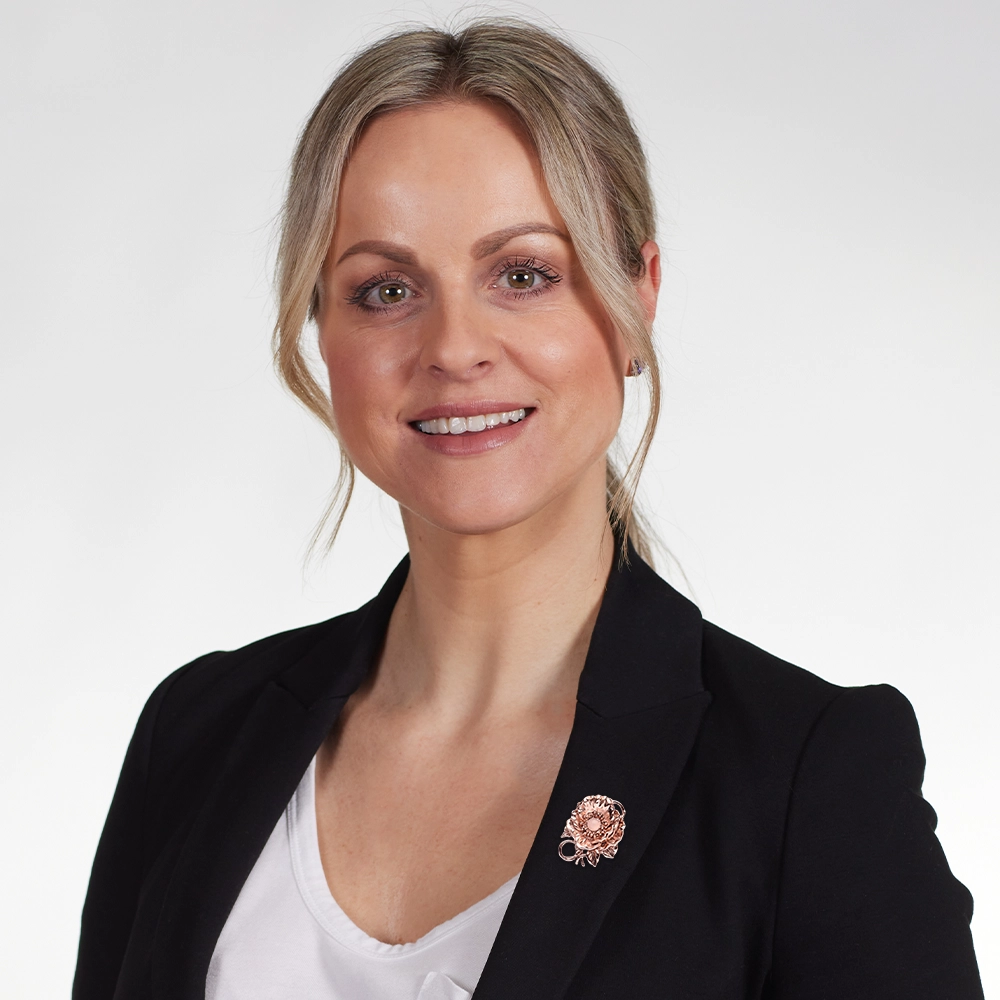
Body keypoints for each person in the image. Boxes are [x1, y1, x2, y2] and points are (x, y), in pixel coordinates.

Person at [72, 18, 984, 1000]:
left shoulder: (805, 777)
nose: (453, 347)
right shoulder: (197, 735)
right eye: (384, 289)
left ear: (638, 297)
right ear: (319, 328)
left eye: (522, 275)